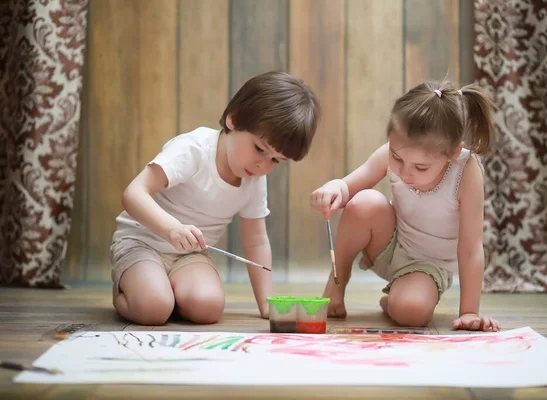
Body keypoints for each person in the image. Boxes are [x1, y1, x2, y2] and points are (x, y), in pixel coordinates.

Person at [110, 71, 321, 325]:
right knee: (153, 308)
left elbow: (256, 241)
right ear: (233, 120)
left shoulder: (254, 178)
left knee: (208, 308)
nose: (262, 166)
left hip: (190, 256)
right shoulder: (194, 150)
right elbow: (133, 194)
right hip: (141, 243)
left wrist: (266, 302)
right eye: (259, 149)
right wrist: (172, 229)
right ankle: (129, 291)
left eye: (276, 160)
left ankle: (164, 293)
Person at [311, 79, 500, 331]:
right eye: (396, 158)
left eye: (421, 167)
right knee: (364, 202)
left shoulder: (466, 171)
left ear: (453, 153)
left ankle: (395, 301)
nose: (405, 172)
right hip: (390, 244)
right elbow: (352, 184)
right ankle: (336, 285)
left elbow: (471, 248)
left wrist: (469, 312)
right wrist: (333, 188)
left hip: (428, 265)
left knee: (412, 312)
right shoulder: (394, 149)